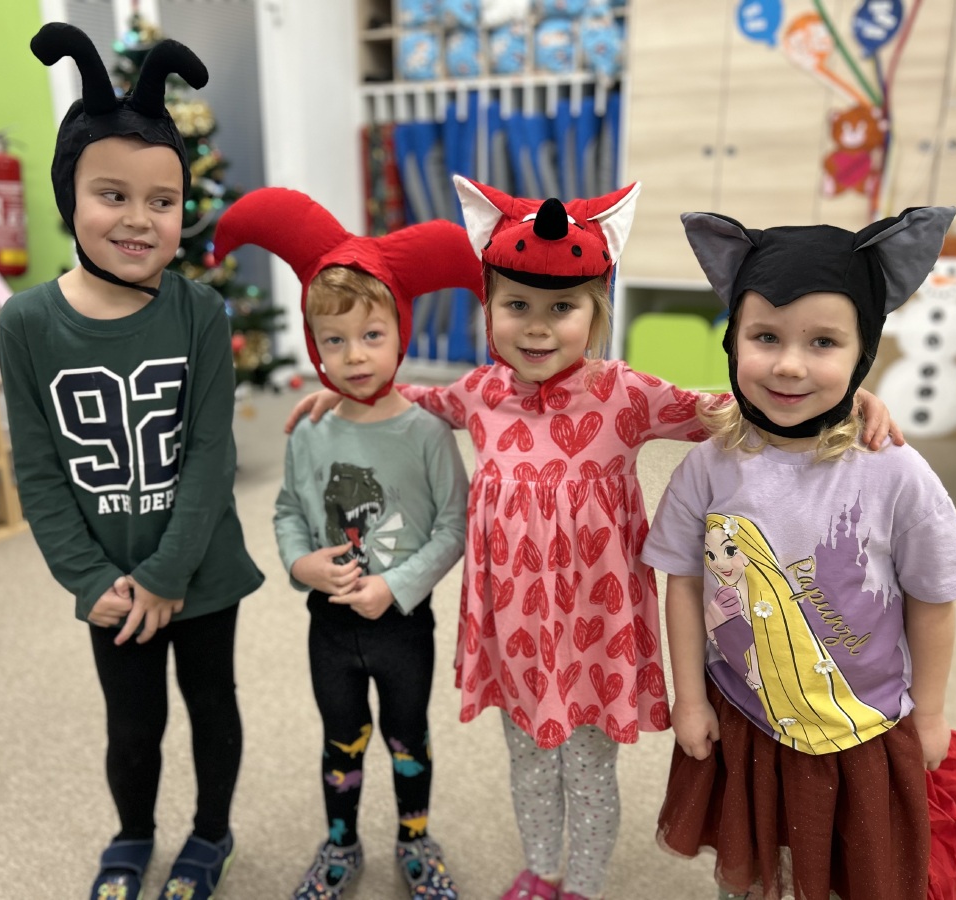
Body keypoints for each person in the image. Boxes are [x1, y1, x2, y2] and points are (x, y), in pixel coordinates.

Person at [287, 176, 902, 900]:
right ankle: (541, 870)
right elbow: (406, 398)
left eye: (562, 308)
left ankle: (580, 884)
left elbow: (734, 408)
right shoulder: (479, 393)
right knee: (527, 765)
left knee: (587, 772)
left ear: (596, 310)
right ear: (489, 309)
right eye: (517, 306)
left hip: (593, 631)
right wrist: (346, 388)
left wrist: (843, 396)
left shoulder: (624, 395)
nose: (537, 327)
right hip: (514, 632)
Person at [641, 206, 956, 900]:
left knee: (851, 871)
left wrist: (931, 712)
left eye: (824, 342)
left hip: (862, 727)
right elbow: (682, 582)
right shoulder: (708, 467)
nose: (790, 364)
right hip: (745, 715)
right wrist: (689, 700)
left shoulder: (896, 472)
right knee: (753, 865)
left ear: (863, 354)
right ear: (733, 340)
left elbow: (933, 598)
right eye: (765, 336)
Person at [0, 24, 262, 900]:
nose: (140, 219)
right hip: (107, 581)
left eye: (163, 199)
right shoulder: (26, 324)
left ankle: (212, 834)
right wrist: (89, 578)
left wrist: (167, 573)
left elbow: (212, 454)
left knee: (212, 707)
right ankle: (134, 834)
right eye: (112, 194)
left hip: (202, 570)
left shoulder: (201, 314)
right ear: (68, 195)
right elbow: (38, 468)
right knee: (132, 722)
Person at [213, 187, 479, 899]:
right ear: (314, 345)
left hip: (401, 624)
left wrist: (396, 585)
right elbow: (287, 511)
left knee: (406, 736)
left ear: (400, 332)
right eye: (333, 340)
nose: (354, 356)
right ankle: (340, 843)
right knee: (341, 738)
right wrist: (300, 563)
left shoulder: (426, 431)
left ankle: (415, 840)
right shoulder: (310, 429)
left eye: (371, 336)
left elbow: (456, 525)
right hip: (328, 625)